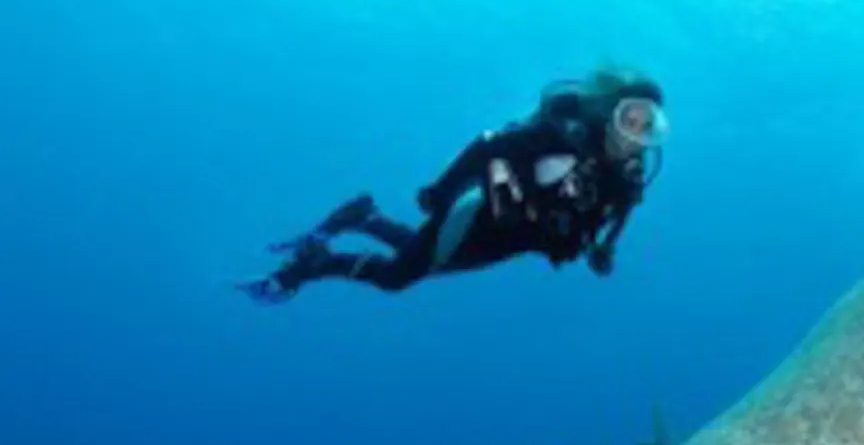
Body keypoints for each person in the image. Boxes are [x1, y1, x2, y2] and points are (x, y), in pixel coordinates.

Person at [239, 70, 668, 303]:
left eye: (648, 127)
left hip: (513, 239)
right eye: (631, 118)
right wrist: (440, 191)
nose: (635, 134)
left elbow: (617, 220)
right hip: (482, 210)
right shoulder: (564, 135)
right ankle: (307, 268)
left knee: (428, 260)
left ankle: (363, 215)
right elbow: (488, 145)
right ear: (612, 112)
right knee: (398, 277)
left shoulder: (627, 180)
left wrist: (604, 251)